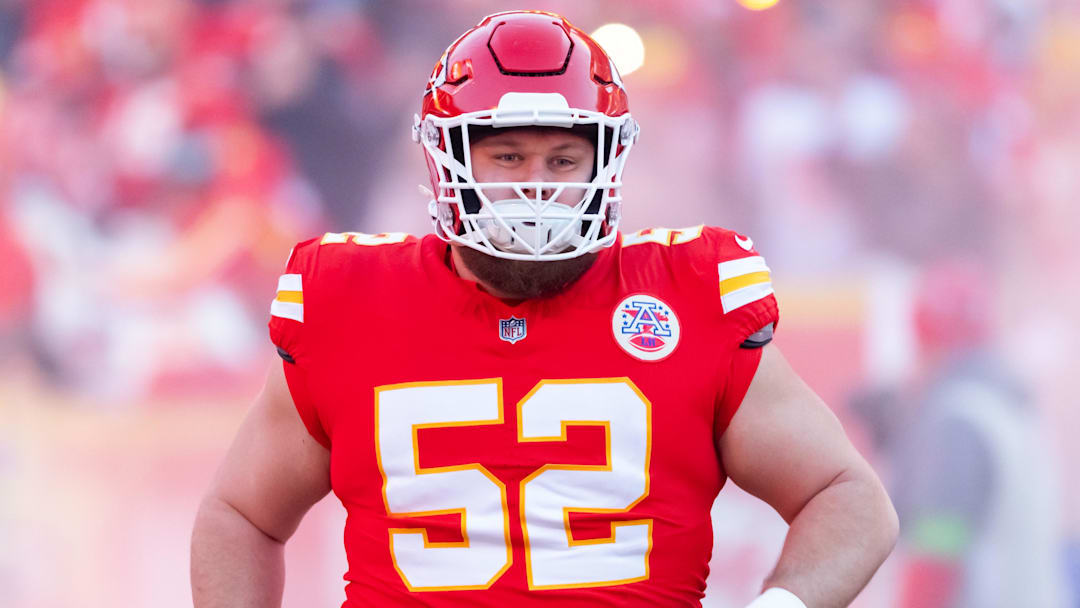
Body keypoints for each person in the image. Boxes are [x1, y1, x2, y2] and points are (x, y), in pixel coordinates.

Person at [191, 11, 897, 607]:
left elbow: (847, 496)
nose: (537, 186)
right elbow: (240, 515)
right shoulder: (350, 299)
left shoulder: (683, 294)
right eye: (508, 158)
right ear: (448, 161)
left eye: (563, 161)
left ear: (605, 164)